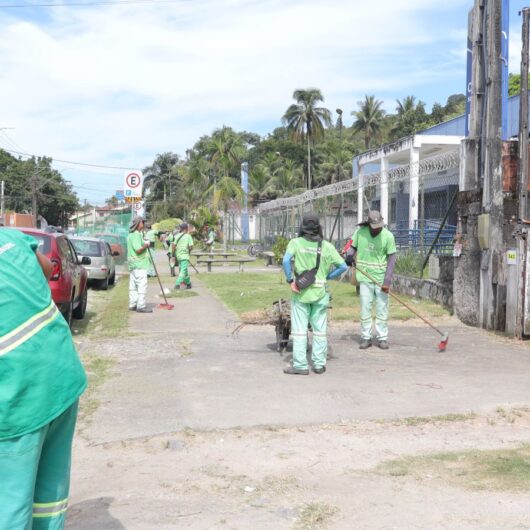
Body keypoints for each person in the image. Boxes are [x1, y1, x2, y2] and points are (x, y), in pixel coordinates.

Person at [0, 227, 87, 529]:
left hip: (18, 395)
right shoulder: (9, 237)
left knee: (10, 503)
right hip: (60, 375)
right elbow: (47, 267)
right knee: (49, 492)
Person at [282, 213, 347, 375]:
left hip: (301, 293)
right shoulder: (327, 246)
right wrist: (328, 277)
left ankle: (300, 365)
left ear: (302, 228)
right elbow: (343, 266)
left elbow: (285, 261)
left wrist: (290, 280)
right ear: (318, 228)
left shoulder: (295, 243)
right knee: (319, 330)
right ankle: (318, 364)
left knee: (299, 330)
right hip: (320, 293)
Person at [343, 210, 397, 350]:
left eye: (380, 225)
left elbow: (392, 259)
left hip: (381, 278)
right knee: (365, 308)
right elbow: (353, 247)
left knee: (382, 308)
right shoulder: (360, 232)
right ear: (369, 224)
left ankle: (382, 337)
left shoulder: (388, 236)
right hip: (365, 277)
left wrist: (387, 281)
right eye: (375, 226)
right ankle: (365, 337)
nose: (378, 228)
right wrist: (349, 256)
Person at [127, 216, 153, 313]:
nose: (144, 223)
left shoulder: (130, 234)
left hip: (133, 265)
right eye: (143, 222)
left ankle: (132, 304)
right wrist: (146, 245)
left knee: (133, 286)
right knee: (142, 285)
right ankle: (141, 306)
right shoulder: (136, 234)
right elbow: (138, 250)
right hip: (139, 264)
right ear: (138, 223)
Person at [174, 222, 194, 290]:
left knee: (185, 271)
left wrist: (175, 252)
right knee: (183, 271)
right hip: (185, 256)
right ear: (186, 229)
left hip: (178, 256)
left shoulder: (177, 236)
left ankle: (188, 284)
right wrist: (189, 249)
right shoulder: (188, 236)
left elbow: (173, 246)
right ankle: (177, 284)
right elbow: (191, 246)